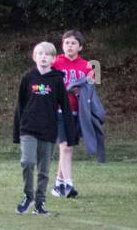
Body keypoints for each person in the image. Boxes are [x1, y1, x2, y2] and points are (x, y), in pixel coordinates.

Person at [13, 41, 71, 215]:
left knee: (44, 170)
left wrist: (70, 132)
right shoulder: (28, 78)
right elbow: (20, 105)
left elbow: (66, 108)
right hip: (28, 128)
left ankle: (40, 203)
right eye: (40, 54)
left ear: (53, 58)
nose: (44, 57)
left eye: (47, 54)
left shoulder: (57, 80)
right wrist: (17, 131)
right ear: (34, 57)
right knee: (27, 162)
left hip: (48, 129)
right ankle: (28, 196)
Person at [52, 29, 94, 198]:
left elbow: (91, 89)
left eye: (73, 43)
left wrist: (81, 92)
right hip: (60, 111)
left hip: (77, 112)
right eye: (66, 42)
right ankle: (69, 185)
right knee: (65, 147)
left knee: (67, 149)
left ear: (80, 47)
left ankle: (58, 185)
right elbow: (45, 84)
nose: (69, 46)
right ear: (62, 45)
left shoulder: (86, 65)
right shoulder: (55, 63)